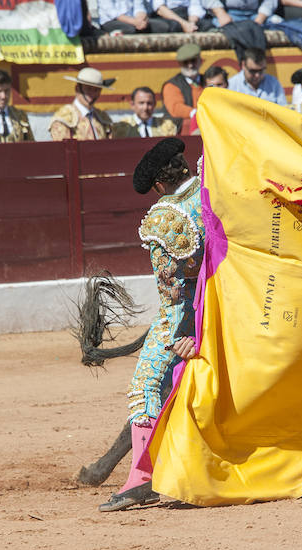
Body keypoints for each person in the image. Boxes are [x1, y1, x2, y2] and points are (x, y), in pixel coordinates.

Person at [98, 137, 204, 512]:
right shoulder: (212, 190)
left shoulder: (166, 216)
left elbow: (174, 288)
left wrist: (190, 330)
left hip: (181, 320)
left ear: (159, 184)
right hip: (227, 307)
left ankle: (143, 478)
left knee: (145, 386)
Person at [49, 67, 115, 141]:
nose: (92, 94)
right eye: (88, 89)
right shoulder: (64, 118)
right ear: (77, 89)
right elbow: (62, 150)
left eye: (96, 90)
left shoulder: (103, 118)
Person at [161, 43, 205, 134]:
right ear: (180, 64)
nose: (190, 65)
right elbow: (175, 108)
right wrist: (196, 113)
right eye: (186, 62)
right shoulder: (172, 85)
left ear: (200, 61)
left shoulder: (207, 80)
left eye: (193, 61)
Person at [112, 87, 178, 138]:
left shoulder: (167, 126)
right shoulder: (121, 127)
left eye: (149, 103)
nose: (145, 108)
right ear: (132, 105)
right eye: (141, 103)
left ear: (154, 104)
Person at [97, 0, 173, 33]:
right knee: (131, 30)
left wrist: (140, 20)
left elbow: (139, 7)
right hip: (112, 22)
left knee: (163, 26)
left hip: (136, 21)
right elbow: (113, 13)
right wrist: (135, 22)